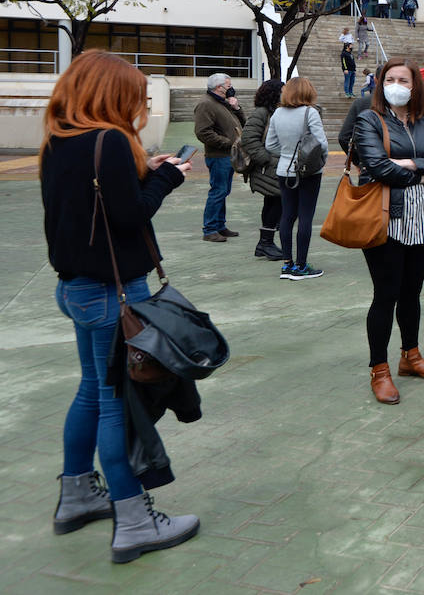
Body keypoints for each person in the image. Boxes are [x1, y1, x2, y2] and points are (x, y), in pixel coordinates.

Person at [41, 50, 200, 562]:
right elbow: (129, 217)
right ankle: (133, 521)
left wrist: (142, 170)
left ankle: (77, 495)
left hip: (76, 289)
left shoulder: (60, 139)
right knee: (116, 403)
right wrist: (165, 178)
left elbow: (95, 206)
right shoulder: (109, 140)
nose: (141, 104)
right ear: (111, 94)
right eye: (135, 95)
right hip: (113, 292)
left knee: (92, 389)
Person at [352, 58, 424, 403]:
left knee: (412, 293)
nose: (396, 84)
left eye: (403, 79)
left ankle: (410, 357)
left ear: (415, 86)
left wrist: (411, 164)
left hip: (422, 218)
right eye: (390, 78)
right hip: (385, 219)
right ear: (381, 83)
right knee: (386, 295)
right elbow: (378, 167)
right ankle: (379, 370)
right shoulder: (369, 119)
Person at [266, 77, 329, 280]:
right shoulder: (310, 112)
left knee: (287, 216)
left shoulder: (277, 113)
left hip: (284, 170)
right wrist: (319, 161)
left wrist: (286, 154)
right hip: (308, 172)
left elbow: (270, 145)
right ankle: (301, 266)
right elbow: (322, 144)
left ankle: (287, 264)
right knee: (306, 217)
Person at [194, 72, 245, 243]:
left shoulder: (222, 103)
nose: (231, 90)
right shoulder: (206, 104)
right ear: (218, 87)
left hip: (227, 155)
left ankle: (219, 225)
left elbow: (242, 122)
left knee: (223, 191)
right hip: (218, 155)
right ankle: (209, 229)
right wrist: (228, 143)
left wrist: (236, 107)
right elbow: (203, 132)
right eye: (228, 87)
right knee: (218, 191)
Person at [239, 80, 286, 261]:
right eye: (282, 91)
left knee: (273, 203)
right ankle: (265, 243)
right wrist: (265, 159)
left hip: (271, 167)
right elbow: (249, 138)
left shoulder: (273, 112)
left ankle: (265, 243)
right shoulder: (262, 113)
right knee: (275, 203)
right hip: (267, 169)